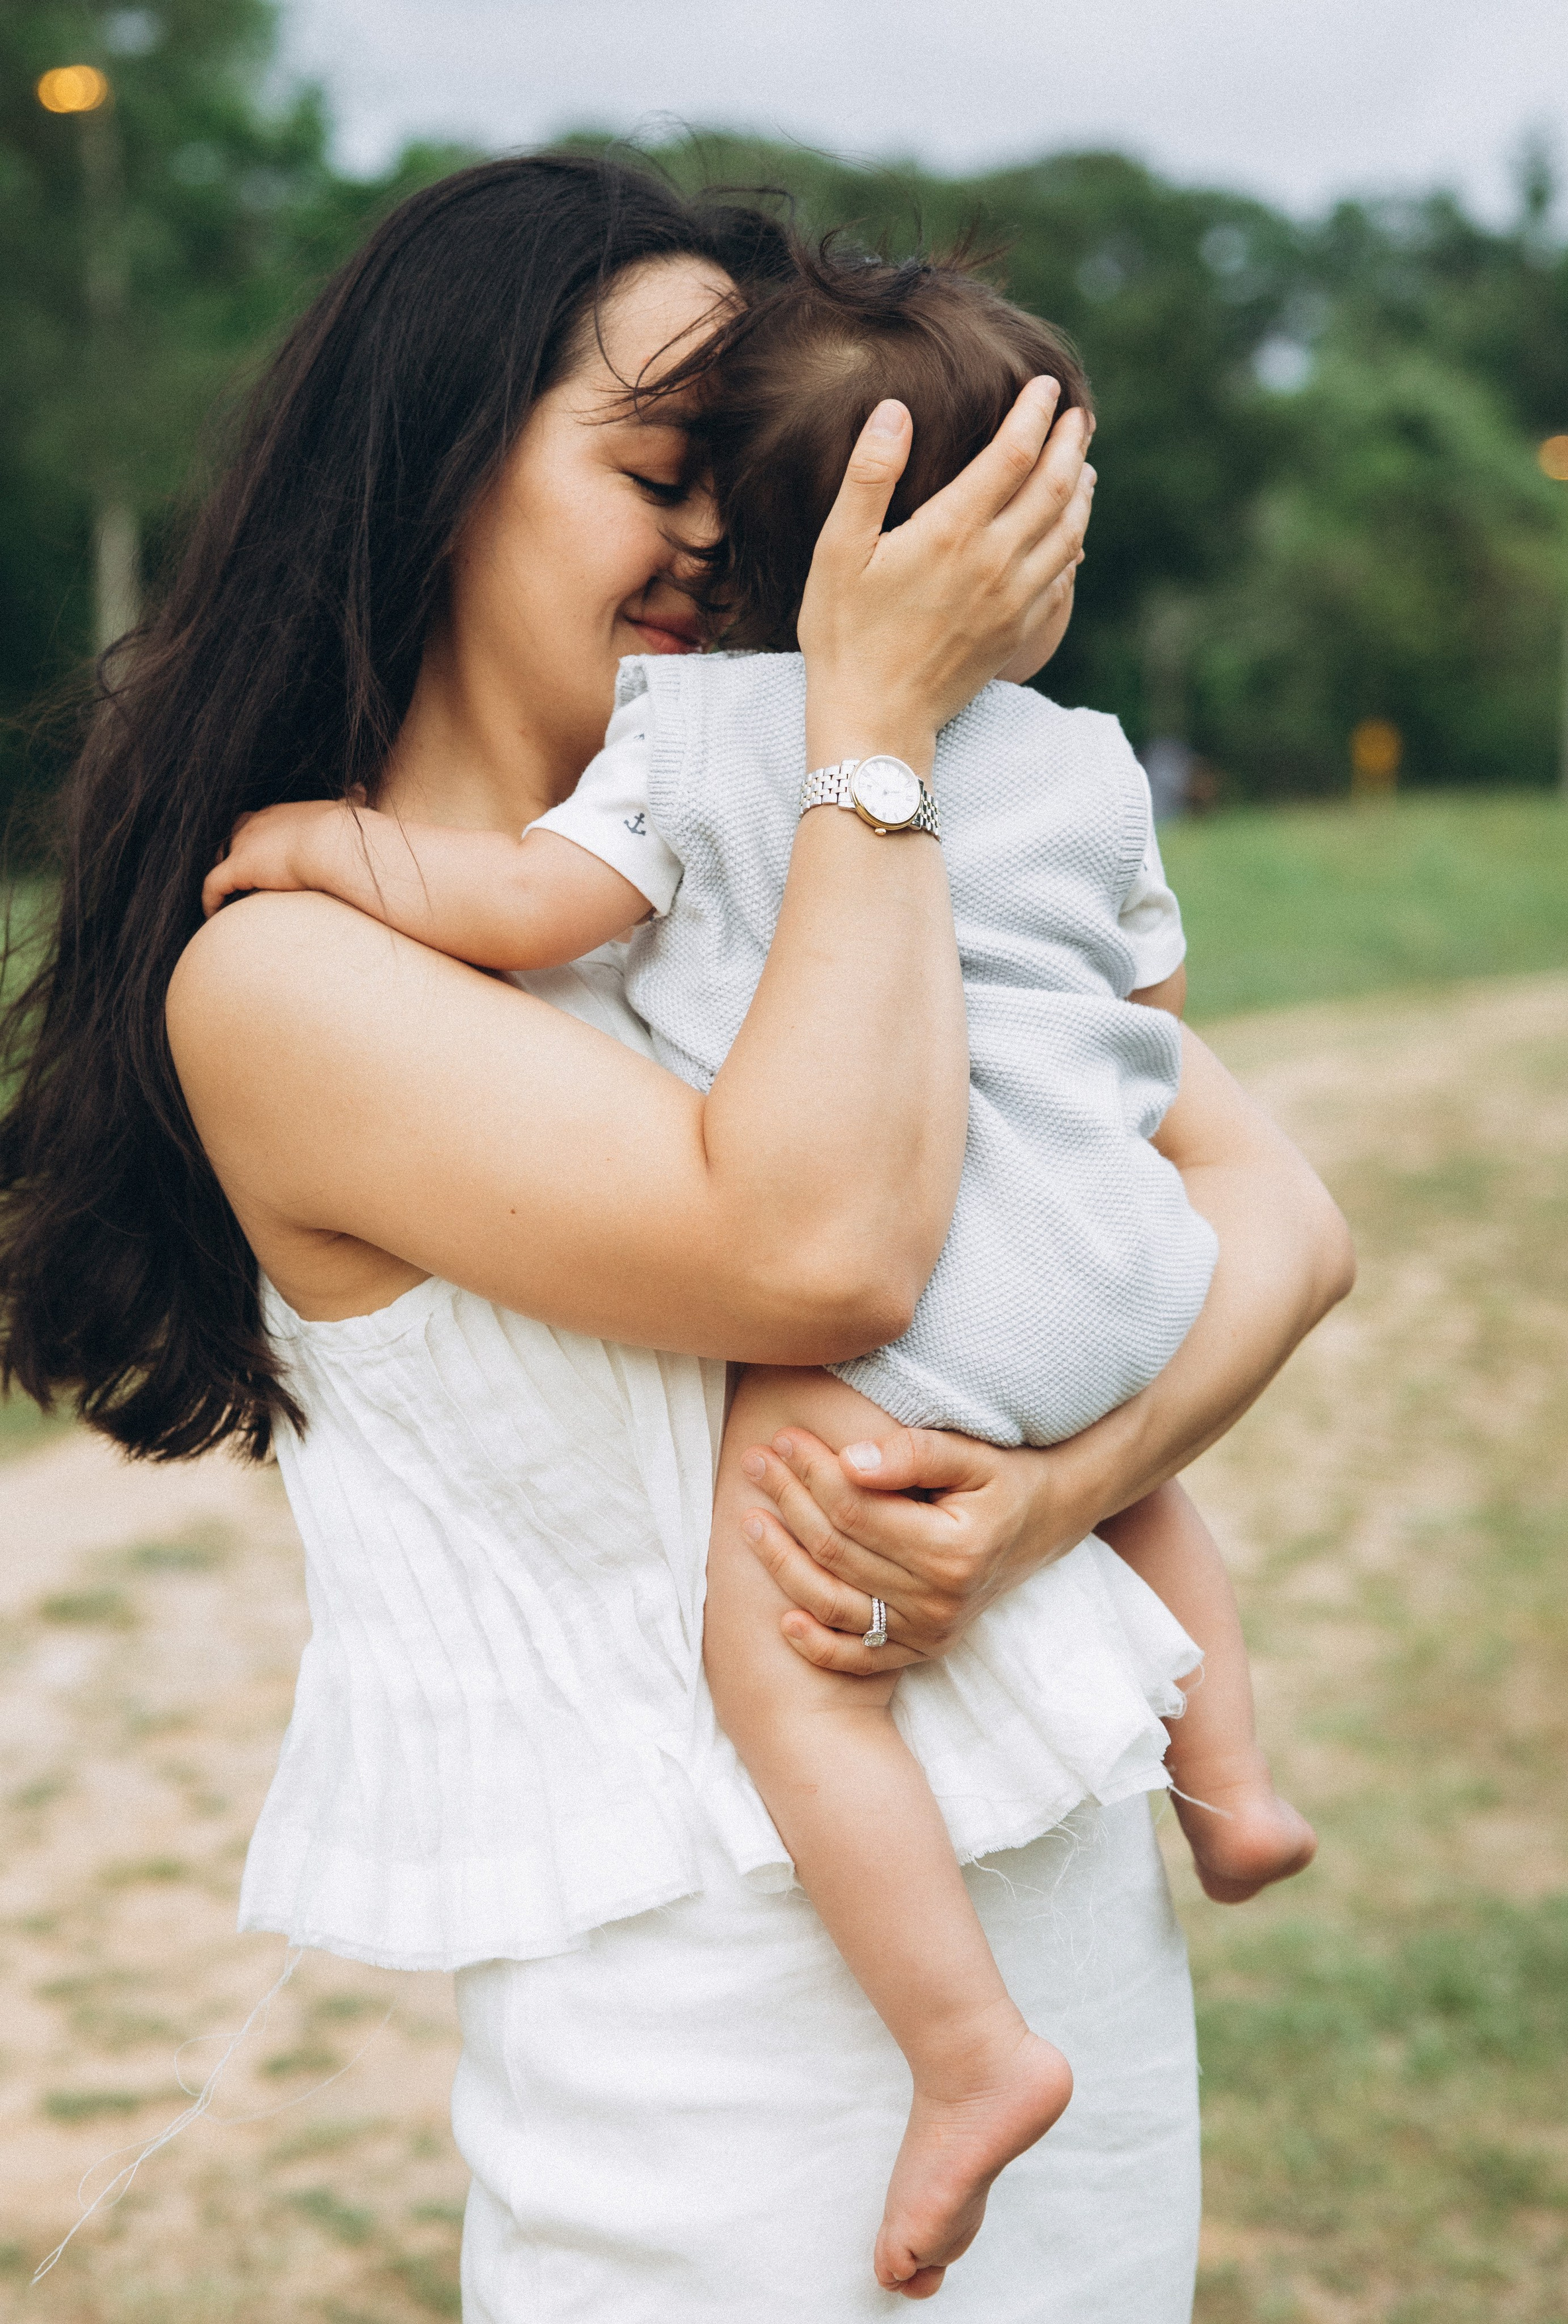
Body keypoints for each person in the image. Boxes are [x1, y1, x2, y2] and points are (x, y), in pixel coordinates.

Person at [0, 155, 1354, 2321]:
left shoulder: (782, 876)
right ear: (438, 468)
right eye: (663, 463)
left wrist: (1042, 1511)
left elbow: (1278, 1211)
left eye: (758, 474)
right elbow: (821, 1254)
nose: (731, 535)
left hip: (1077, 1934)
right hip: (720, 2057)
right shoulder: (292, 981)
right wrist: (876, 743)